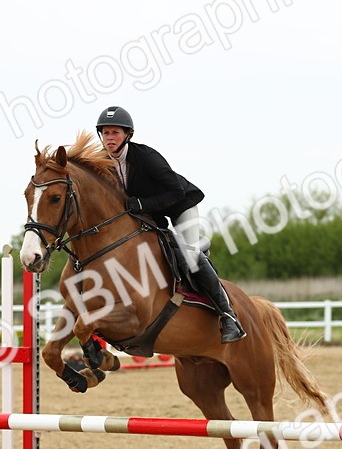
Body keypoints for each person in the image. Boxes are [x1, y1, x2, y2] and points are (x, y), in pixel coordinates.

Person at [95, 106, 245, 343]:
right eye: (105, 133)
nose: (109, 138)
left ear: (127, 135)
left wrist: (142, 205)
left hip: (179, 205)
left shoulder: (146, 157)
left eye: (114, 133)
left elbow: (175, 191)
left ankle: (228, 316)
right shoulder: (103, 161)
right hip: (150, 215)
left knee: (190, 257)